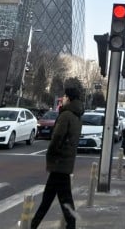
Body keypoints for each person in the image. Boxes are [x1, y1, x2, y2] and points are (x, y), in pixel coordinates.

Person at [30, 81, 84, 229]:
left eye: (65, 96)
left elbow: (57, 137)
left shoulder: (66, 115)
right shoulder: (77, 116)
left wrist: (51, 153)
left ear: (69, 98)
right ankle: (35, 224)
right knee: (56, 199)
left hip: (59, 162)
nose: (63, 99)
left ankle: (36, 225)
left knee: (55, 200)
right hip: (66, 162)